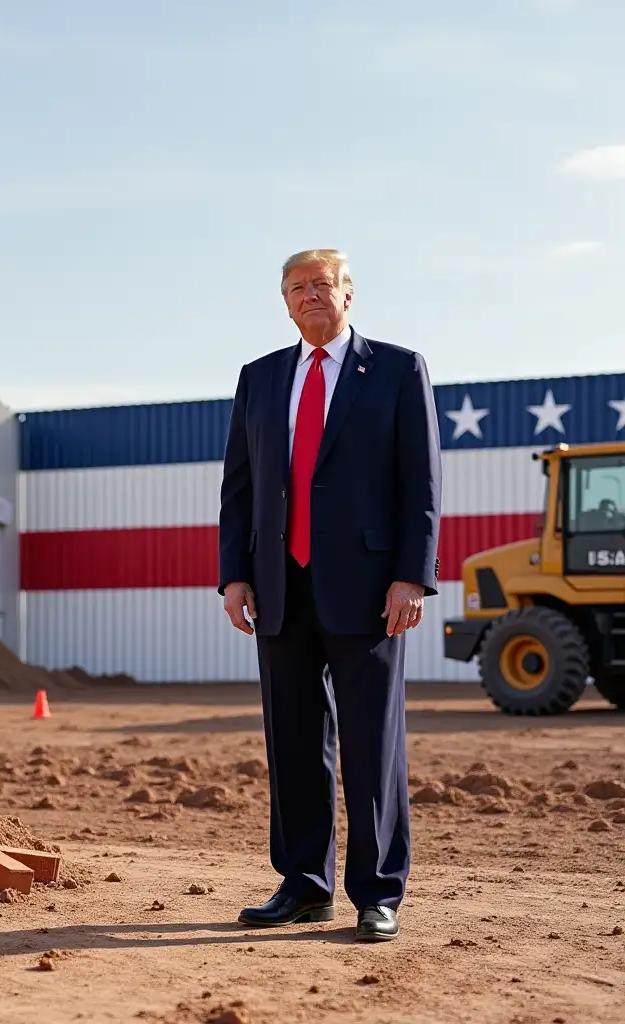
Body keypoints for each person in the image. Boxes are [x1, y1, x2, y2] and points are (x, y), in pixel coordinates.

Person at [218, 249, 441, 942]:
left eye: (323, 284)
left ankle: (378, 894)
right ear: (284, 304)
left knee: (372, 744)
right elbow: (240, 487)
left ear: (350, 294)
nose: (310, 296)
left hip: (372, 589)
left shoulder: (399, 369)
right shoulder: (259, 378)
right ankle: (304, 885)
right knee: (291, 740)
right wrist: (235, 574)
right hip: (280, 587)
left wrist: (414, 573)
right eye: (296, 288)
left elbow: (421, 482)